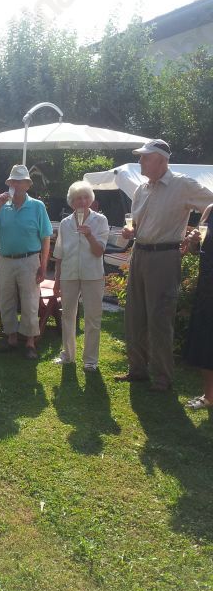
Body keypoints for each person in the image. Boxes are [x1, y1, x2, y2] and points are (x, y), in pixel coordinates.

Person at [115, 139, 213, 391]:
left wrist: (199, 232)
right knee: (134, 315)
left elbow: (211, 204)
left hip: (165, 257)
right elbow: (135, 225)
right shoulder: (141, 189)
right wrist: (129, 231)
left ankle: (162, 378)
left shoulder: (182, 184)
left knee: (159, 318)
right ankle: (137, 370)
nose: (140, 161)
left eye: (145, 157)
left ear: (161, 160)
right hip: (139, 253)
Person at [0, 164, 53, 358]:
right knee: (6, 299)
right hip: (5, 260)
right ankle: (11, 338)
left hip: (29, 259)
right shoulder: (3, 206)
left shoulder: (37, 206)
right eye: (13, 181)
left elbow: (46, 237)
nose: (16, 184)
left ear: (27, 185)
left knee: (30, 300)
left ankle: (30, 342)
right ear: (9, 184)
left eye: (20, 181)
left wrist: (43, 265)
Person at [52, 181, 110, 371]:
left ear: (91, 199)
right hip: (69, 273)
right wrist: (57, 280)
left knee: (92, 317)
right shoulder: (65, 223)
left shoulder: (100, 220)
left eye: (86, 197)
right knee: (67, 315)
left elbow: (99, 251)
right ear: (72, 202)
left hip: (92, 274)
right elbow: (59, 254)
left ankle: (90, 360)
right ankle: (68, 355)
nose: (82, 202)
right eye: (78, 198)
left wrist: (89, 235)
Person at [184, 204, 213, 409]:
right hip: (208, 287)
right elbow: (196, 250)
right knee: (207, 342)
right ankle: (209, 396)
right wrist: (194, 241)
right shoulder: (210, 210)